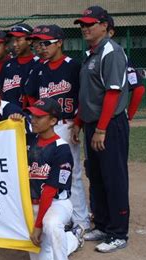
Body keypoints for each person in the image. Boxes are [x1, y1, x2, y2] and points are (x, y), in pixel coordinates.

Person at [71, 6, 130, 253]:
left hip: (110, 124)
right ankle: (104, 224)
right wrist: (79, 122)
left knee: (113, 177)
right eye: (82, 24)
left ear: (105, 25)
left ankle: (118, 232)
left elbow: (112, 93)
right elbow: (87, 96)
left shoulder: (111, 52)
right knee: (95, 175)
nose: (85, 28)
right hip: (94, 124)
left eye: (90, 24)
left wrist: (102, 128)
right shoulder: (91, 53)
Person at [26, 25, 91, 232]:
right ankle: (60, 216)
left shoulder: (73, 66)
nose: (42, 47)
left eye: (47, 43)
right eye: (39, 43)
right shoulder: (39, 67)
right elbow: (30, 95)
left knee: (72, 175)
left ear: (60, 42)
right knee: (43, 173)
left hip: (66, 124)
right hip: (44, 128)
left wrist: (78, 123)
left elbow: (84, 97)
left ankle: (81, 220)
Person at [26, 98, 85, 260]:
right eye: (33, 116)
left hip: (56, 204)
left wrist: (38, 226)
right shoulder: (29, 141)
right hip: (31, 205)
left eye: (39, 117)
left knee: (50, 225)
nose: (33, 120)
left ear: (53, 121)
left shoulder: (62, 149)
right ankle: (72, 238)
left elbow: (50, 191)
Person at [107, 16, 146, 122]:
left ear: (110, 32)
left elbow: (139, 89)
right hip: (112, 116)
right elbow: (139, 89)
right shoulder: (90, 56)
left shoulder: (118, 56)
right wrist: (129, 115)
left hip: (111, 117)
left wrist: (129, 115)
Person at [0, 23, 39, 108]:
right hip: (8, 114)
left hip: (29, 115)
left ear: (29, 41)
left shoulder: (38, 64)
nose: (14, 44)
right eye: (13, 40)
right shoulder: (8, 64)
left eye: (18, 40)